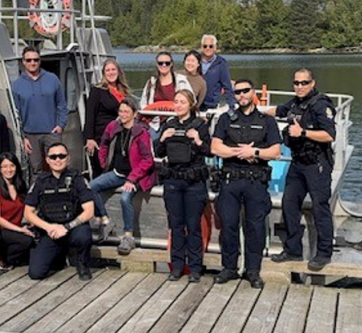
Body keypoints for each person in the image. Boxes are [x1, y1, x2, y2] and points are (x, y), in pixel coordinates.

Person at [211, 79, 281, 289]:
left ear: (253, 93)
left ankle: (253, 271)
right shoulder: (225, 119)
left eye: (245, 91)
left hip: (255, 179)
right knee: (229, 225)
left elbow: (275, 152)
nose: (241, 95)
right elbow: (215, 147)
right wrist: (241, 152)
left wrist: (256, 152)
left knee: (255, 227)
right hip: (231, 179)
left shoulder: (267, 121)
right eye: (237, 92)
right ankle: (229, 268)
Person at [267, 69, 336, 271]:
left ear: (312, 83)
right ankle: (293, 250)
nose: (299, 86)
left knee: (319, 207)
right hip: (298, 163)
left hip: (317, 164)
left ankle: (324, 253)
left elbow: (330, 135)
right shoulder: (295, 103)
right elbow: (279, 110)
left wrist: (303, 132)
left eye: (304, 83)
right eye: (296, 83)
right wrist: (256, 111)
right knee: (289, 203)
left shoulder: (320, 105)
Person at [154, 89, 210, 282]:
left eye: (182, 102)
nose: (178, 105)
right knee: (176, 225)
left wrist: (198, 139)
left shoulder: (199, 125)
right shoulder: (168, 125)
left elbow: (209, 151)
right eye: (176, 102)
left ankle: (195, 267)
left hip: (194, 182)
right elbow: (159, 152)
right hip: (173, 181)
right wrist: (162, 138)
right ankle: (177, 266)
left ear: (190, 105)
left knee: (193, 226)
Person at [91, 98, 157, 255]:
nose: (123, 114)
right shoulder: (113, 127)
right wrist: (103, 163)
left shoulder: (141, 132)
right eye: (121, 111)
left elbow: (148, 160)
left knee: (125, 198)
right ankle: (105, 221)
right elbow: (104, 142)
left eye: (126, 111)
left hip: (136, 176)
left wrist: (132, 178)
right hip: (117, 173)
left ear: (134, 114)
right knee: (91, 186)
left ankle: (128, 236)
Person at [24, 143, 94, 281]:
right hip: (51, 231)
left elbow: (89, 211)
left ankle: (82, 263)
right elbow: (28, 213)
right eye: (53, 156)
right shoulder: (40, 182)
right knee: (35, 273)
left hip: (73, 228)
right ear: (47, 160)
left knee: (84, 235)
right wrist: (49, 227)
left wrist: (66, 227)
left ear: (68, 158)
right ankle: (59, 255)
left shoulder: (77, 179)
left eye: (61, 156)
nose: (57, 160)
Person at [11, 46, 67, 173]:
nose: (33, 63)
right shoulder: (17, 85)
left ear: (40, 61)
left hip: (52, 133)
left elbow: (62, 105)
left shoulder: (52, 79)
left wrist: (61, 125)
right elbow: (16, 115)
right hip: (30, 135)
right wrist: (22, 137)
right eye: (29, 60)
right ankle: (38, 192)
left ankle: (60, 192)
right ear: (23, 62)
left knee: (58, 166)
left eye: (36, 60)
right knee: (36, 169)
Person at [84, 59, 130, 177]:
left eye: (113, 69)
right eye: (107, 70)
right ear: (104, 73)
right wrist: (89, 138)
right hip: (101, 137)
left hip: (120, 137)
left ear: (118, 71)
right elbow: (90, 115)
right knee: (100, 170)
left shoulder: (123, 91)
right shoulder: (98, 90)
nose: (111, 73)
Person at [0, 152, 34, 270]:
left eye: (11, 166)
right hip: (2, 229)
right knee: (27, 241)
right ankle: (3, 257)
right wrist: (20, 230)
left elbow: (25, 210)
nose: (9, 169)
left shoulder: (20, 186)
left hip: (18, 225)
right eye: (4, 166)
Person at [199, 34, 235, 111]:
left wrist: (231, 105)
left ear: (215, 48)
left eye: (211, 46)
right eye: (205, 46)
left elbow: (227, 85)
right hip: (196, 103)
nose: (208, 48)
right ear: (201, 48)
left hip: (212, 104)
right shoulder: (195, 61)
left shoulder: (221, 63)